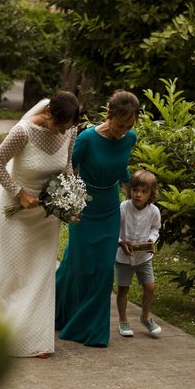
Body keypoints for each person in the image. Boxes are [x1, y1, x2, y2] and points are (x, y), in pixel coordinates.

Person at [0, 91, 80, 357]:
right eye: (60, 126)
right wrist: (19, 193)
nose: (63, 133)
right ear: (48, 114)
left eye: (68, 128)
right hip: (17, 210)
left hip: (47, 214)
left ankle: (34, 338)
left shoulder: (70, 130)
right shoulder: (23, 131)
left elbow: (67, 167)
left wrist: (70, 203)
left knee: (40, 272)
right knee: (10, 270)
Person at [55, 90, 140, 347]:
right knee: (78, 267)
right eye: (120, 124)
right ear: (109, 115)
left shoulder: (130, 138)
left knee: (103, 271)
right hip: (84, 209)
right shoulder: (87, 138)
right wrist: (69, 204)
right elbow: (66, 169)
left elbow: (121, 167)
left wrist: (135, 192)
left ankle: (89, 329)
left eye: (129, 126)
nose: (124, 131)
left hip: (110, 209)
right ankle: (55, 312)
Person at [115, 169, 162, 337]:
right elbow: (114, 229)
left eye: (144, 191)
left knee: (150, 287)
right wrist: (120, 242)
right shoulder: (123, 208)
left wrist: (151, 240)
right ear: (129, 190)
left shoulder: (154, 211)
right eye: (135, 190)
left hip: (144, 257)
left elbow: (156, 228)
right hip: (123, 258)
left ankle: (145, 317)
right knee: (123, 289)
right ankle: (123, 320)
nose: (138, 195)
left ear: (151, 194)